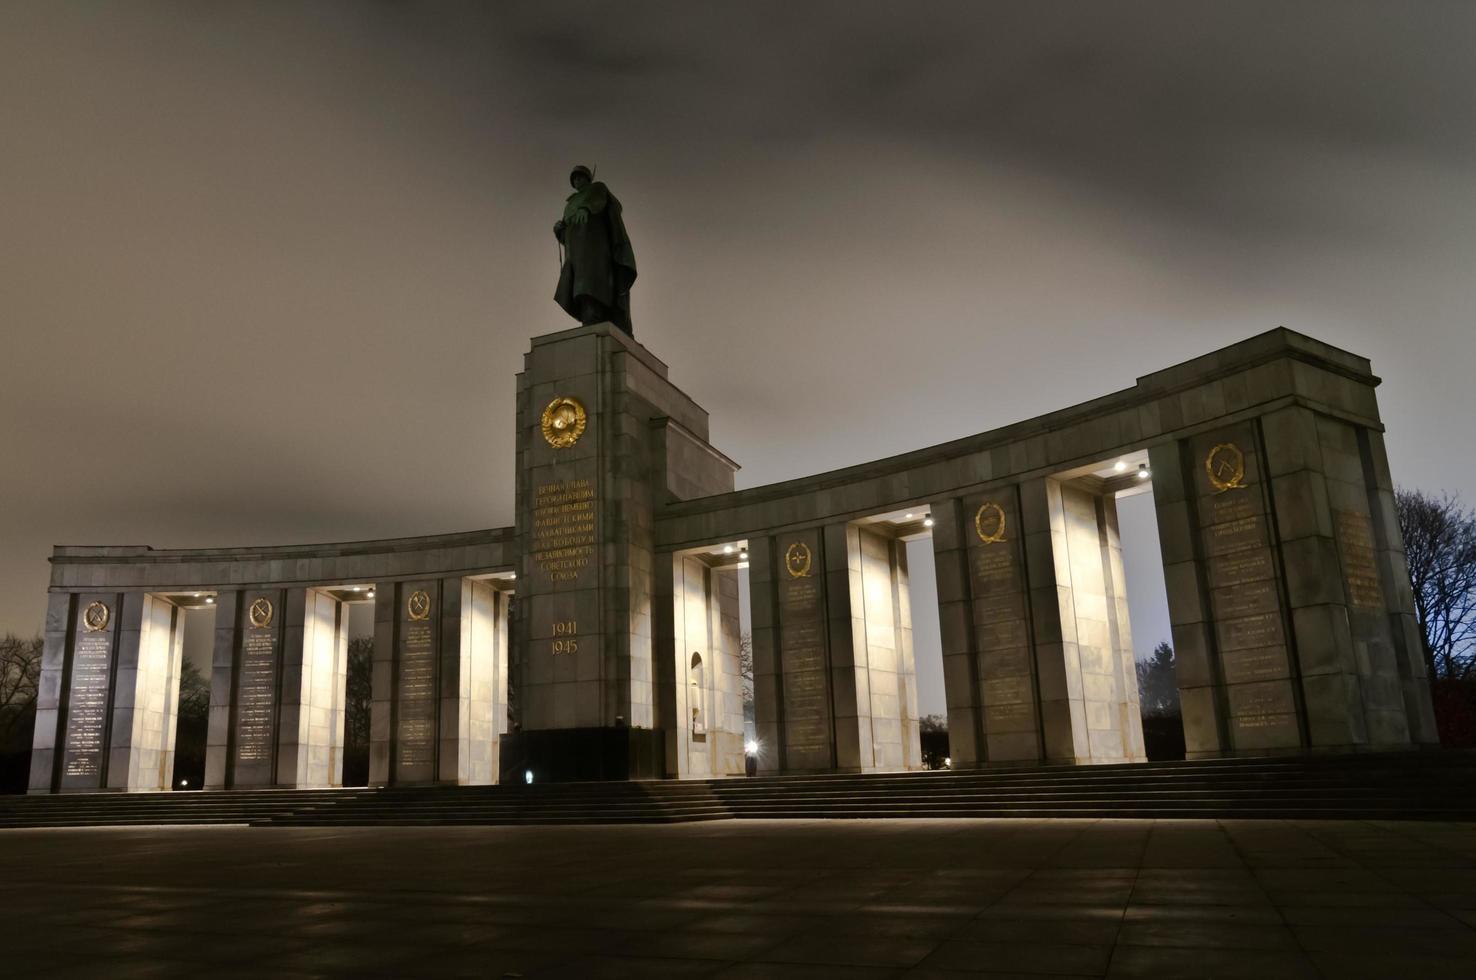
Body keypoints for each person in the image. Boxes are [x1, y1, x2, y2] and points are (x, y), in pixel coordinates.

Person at [553, 165, 636, 335]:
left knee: (593, 284)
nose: (577, 180)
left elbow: (599, 201)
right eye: (575, 178)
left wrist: (586, 207)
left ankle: (595, 315)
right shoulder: (569, 204)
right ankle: (589, 317)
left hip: (595, 248)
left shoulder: (597, 188)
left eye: (580, 177)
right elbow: (568, 236)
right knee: (579, 287)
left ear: (588, 178)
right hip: (575, 254)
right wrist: (559, 230)